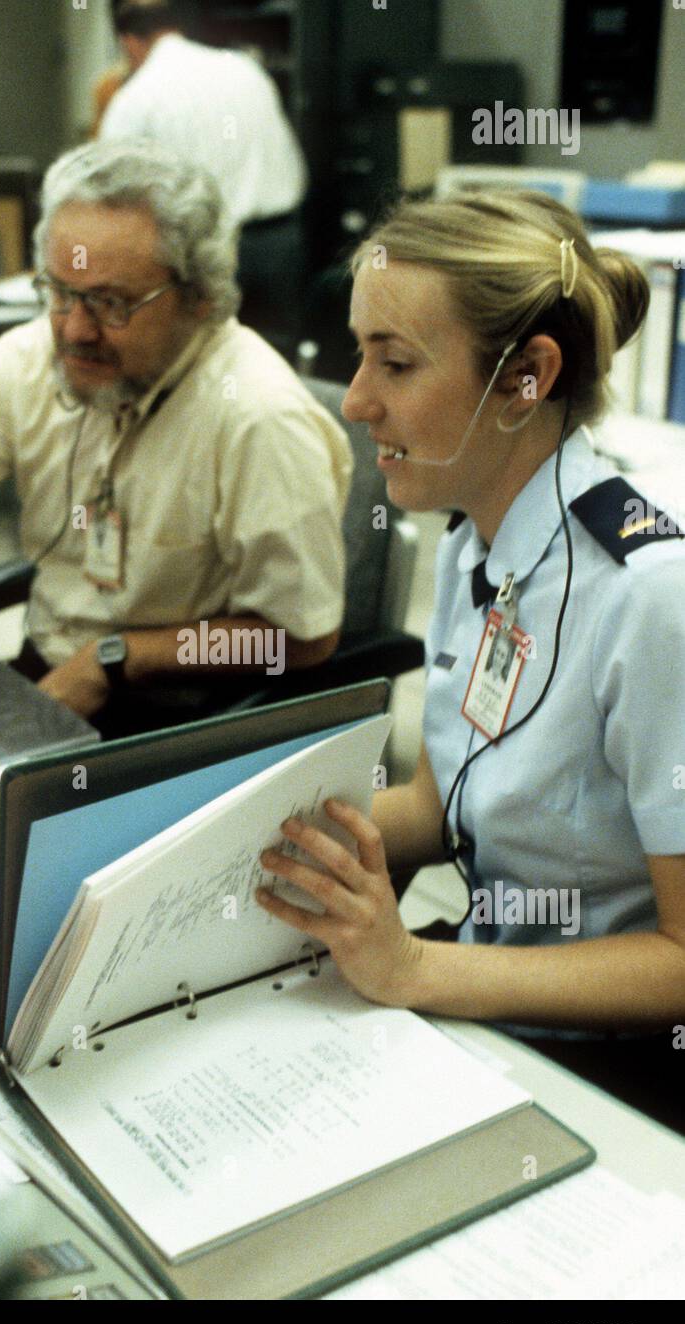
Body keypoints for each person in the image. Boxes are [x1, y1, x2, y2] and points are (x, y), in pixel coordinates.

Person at [256, 189, 685, 1131]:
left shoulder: (649, 595)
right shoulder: (475, 544)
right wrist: (249, 835)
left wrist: (416, 967)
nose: (358, 400)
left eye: (395, 362)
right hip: (487, 989)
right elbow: (439, 803)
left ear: (528, 377)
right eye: (360, 353)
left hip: (620, 1068)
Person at [0, 141, 351, 740]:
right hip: (52, 679)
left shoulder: (258, 416)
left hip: (187, 716)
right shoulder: (24, 361)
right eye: (59, 293)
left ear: (199, 297)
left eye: (111, 303)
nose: (75, 331)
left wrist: (120, 658)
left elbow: (303, 639)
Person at [100, 0, 309, 340]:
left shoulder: (135, 98)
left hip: (207, 252)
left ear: (128, 42)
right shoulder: (244, 67)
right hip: (280, 242)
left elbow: (112, 195)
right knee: (275, 362)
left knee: (207, 363)